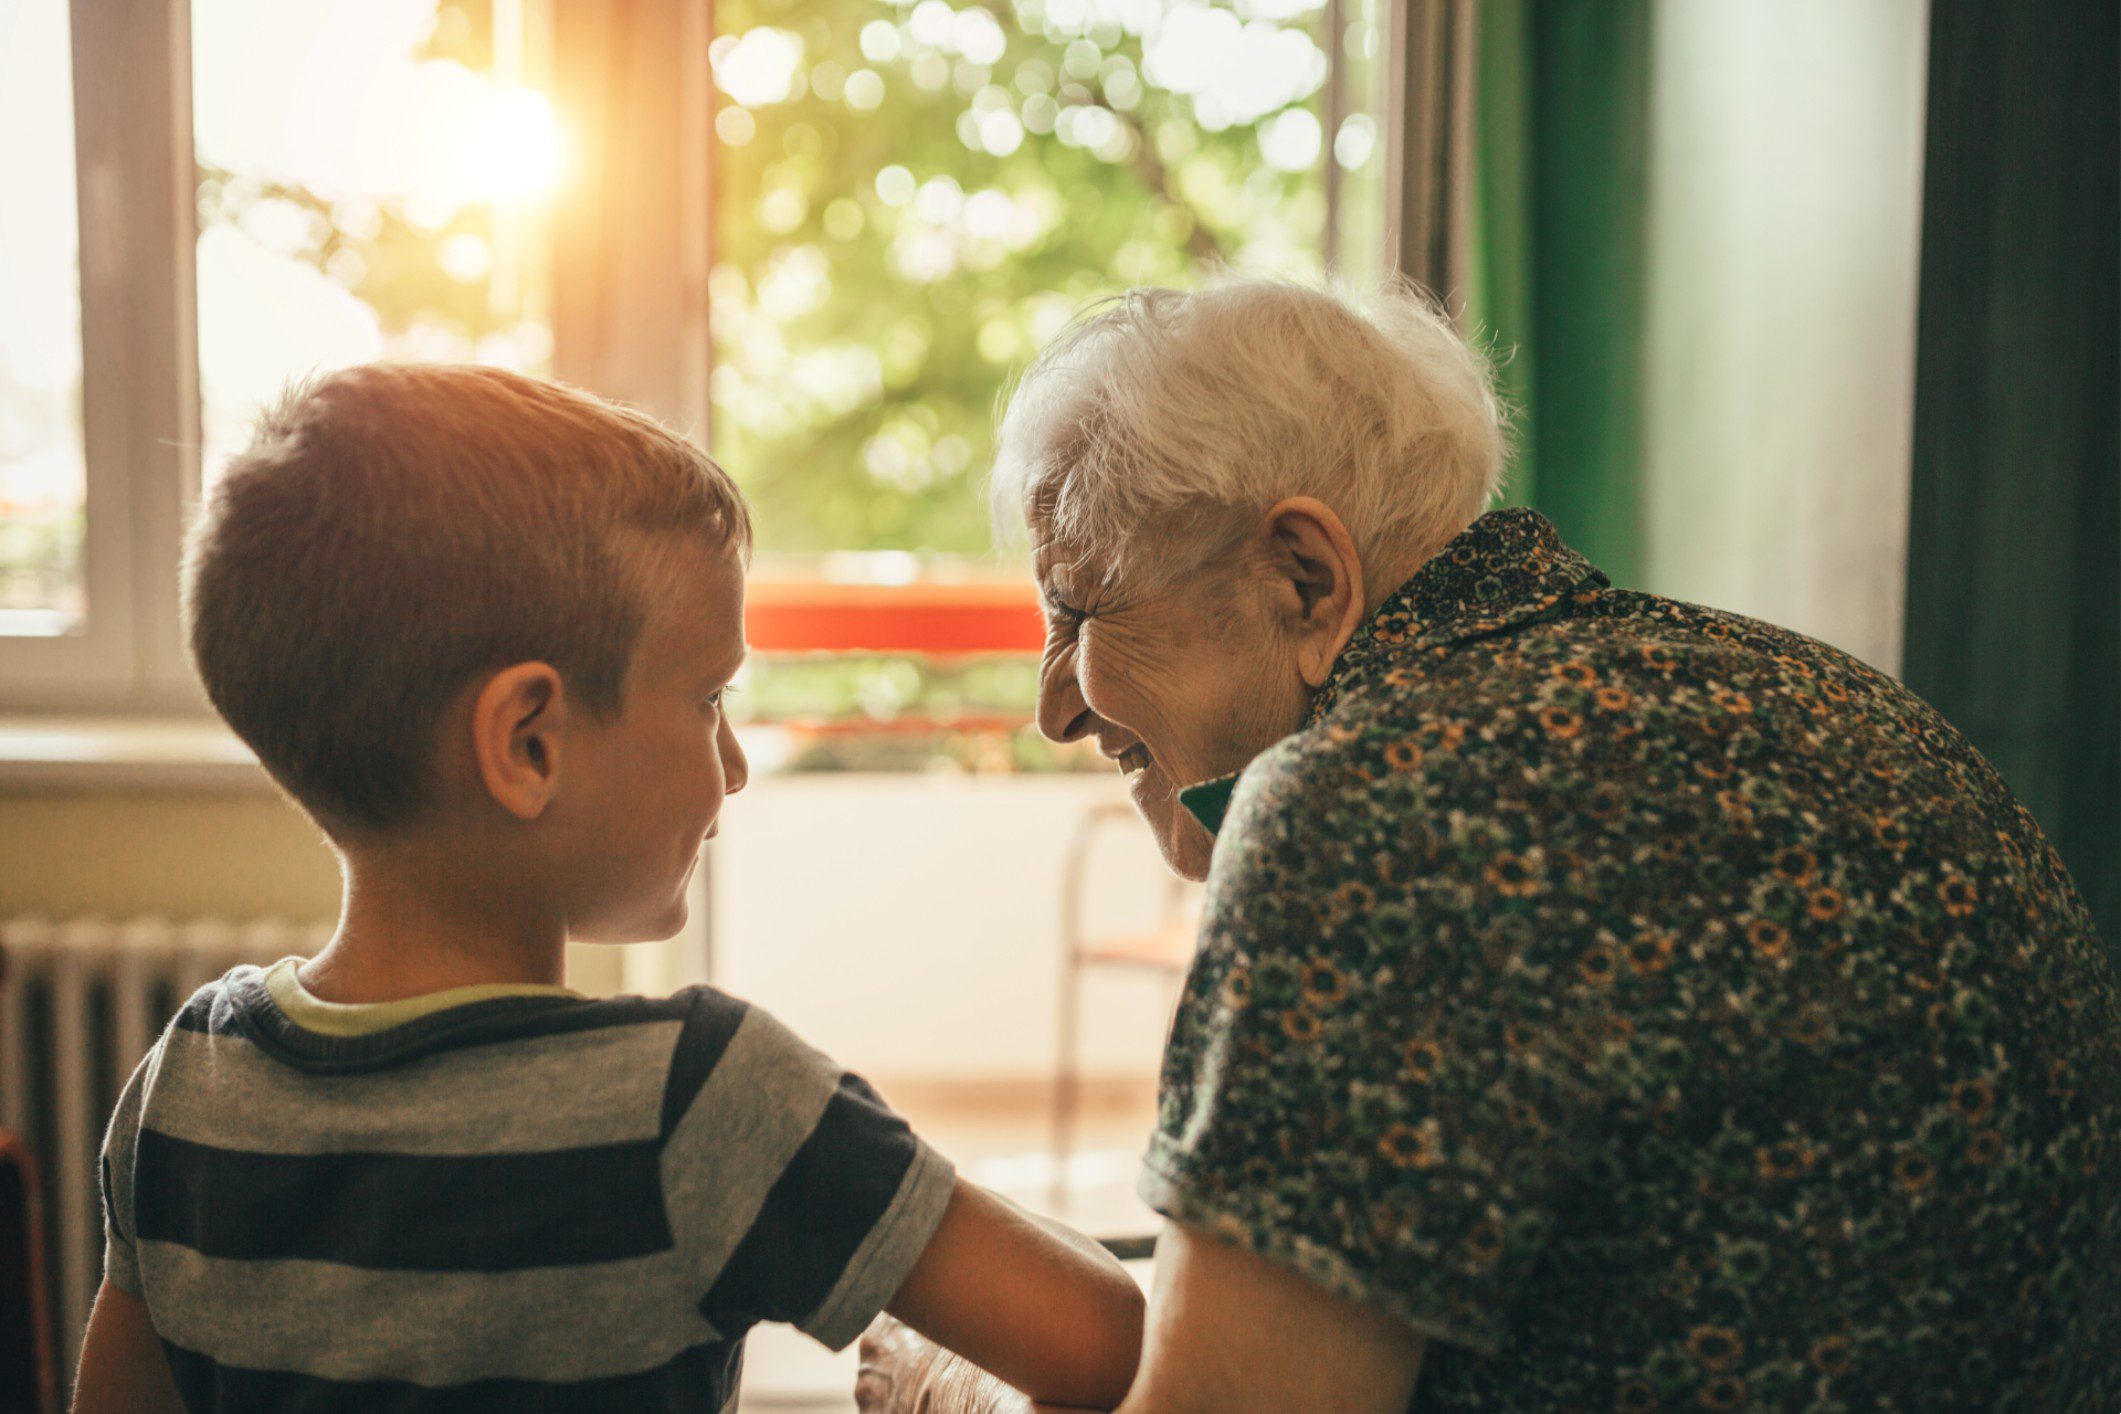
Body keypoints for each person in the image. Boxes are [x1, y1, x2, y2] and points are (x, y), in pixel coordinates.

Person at [862, 278, 2119, 1412]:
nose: (1053, 704)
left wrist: (949, 1392)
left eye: (1077, 609)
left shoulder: (1369, 810)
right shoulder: (1819, 691)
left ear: (1305, 578)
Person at [71, 366, 1144, 1413]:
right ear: (528, 742)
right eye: (707, 698)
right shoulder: (706, 1103)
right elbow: (1102, 1342)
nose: (734, 763)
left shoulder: (186, 1091)